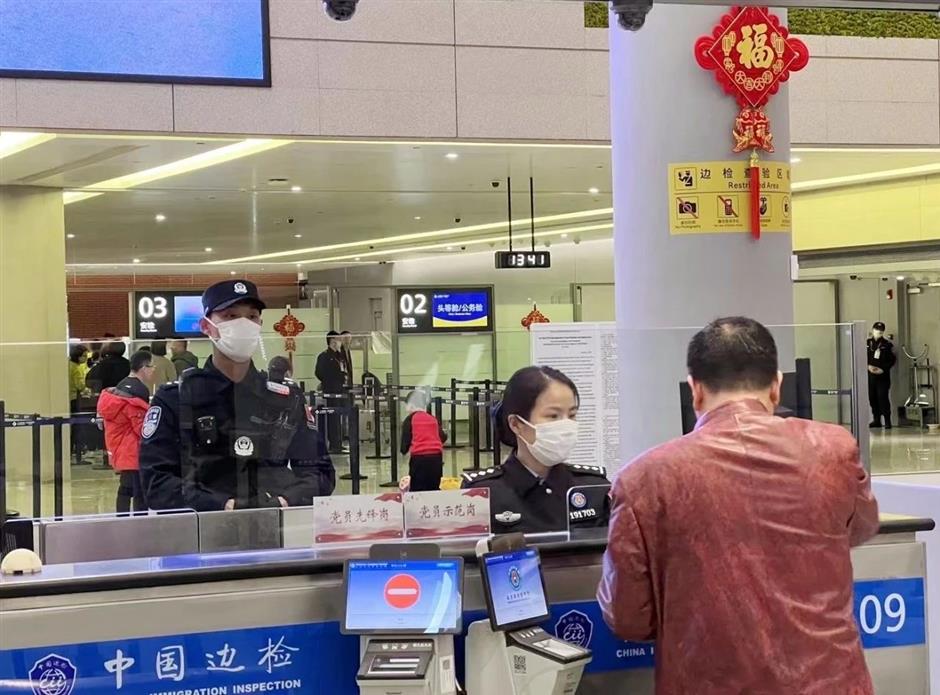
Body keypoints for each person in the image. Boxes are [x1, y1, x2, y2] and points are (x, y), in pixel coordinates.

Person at [597, 317, 880, 695]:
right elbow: (861, 527)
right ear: (777, 386)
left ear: (695, 390)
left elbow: (629, 618)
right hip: (830, 683)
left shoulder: (642, 479)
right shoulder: (834, 449)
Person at [140, 279, 335, 511]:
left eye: (251, 317)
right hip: (201, 533)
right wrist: (223, 505)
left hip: (276, 530)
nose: (243, 324)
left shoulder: (284, 397)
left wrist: (284, 501)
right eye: (230, 316)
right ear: (206, 326)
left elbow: (320, 472)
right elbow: (155, 481)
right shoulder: (176, 398)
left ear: (260, 324)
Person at [461, 366, 609, 533]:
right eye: (553, 416)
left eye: (572, 415)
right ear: (516, 424)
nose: (566, 425)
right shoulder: (482, 494)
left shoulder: (594, 486)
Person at [97, 350, 155, 513]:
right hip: (133, 448)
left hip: (119, 446)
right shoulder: (138, 391)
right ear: (144, 368)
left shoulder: (121, 386)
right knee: (139, 492)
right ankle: (139, 523)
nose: (153, 370)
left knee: (125, 489)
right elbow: (141, 427)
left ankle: (121, 519)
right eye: (152, 366)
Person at [400, 390, 447, 492]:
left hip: (419, 459)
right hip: (436, 459)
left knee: (417, 489)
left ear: (411, 405)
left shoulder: (409, 420)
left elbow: (405, 443)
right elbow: (443, 437)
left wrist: (403, 450)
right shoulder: (432, 419)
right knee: (433, 487)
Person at [315, 331, 348, 453]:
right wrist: (329, 381)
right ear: (332, 341)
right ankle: (334, 444)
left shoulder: (340, 355)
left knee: (338, 416)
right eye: (338, 339)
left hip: (341, 389)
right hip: (331, 390)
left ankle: (338, 442)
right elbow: (319, 372)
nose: (340, 342)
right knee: (332, 417)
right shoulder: (324, 356)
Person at [868, 321, 897, 429]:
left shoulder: (887, 345)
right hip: (870, 376)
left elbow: (892, 360)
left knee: (882, 397)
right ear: (873, 329)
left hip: (882, 377)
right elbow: (861, 357)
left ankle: (887, 421)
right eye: (876, 329)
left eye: (880, 331)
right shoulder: (867, 343)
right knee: (872, 397)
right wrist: (868, 366)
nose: (878, 332)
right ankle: (876, 420)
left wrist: (883, 369)